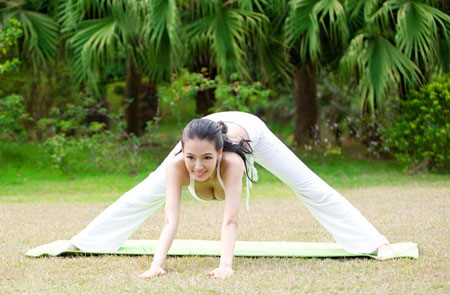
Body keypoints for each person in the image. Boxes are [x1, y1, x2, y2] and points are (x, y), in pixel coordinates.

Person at [66, 111, 395, 279]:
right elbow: (169, 219)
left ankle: (371, 241)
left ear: (220, 153)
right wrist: (156, 265)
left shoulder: (233, 162)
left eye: (207, 159)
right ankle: (86, 240)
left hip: (251, 131)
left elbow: (231, 220)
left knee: (307, 185)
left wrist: (226, 266)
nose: (198, 168)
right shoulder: (179, 164)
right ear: (182, 152)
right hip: (206, 128)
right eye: (191, 158)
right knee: (143, 193)